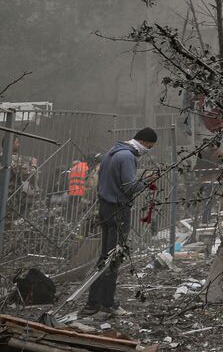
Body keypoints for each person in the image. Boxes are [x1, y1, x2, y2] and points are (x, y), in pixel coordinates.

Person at [82, 127, 158, 317]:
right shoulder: (127, 157)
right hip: (118, 210)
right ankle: (108, 303)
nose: (147, 151)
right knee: (114, 258)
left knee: (104, 258)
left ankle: (93, 303)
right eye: (149, 147)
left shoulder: (112, 152)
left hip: (105, 207)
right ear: (143, 142)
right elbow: (130, 187)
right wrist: (148, 181)